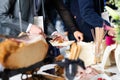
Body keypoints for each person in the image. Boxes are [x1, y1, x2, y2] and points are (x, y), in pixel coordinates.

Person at [0, 0, 83, 42]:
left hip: (30, 43)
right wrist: (29, 27)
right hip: (10, 42)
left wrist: (54, 34)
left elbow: (42, 18)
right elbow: (1, 15)